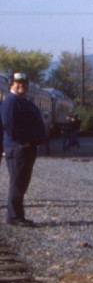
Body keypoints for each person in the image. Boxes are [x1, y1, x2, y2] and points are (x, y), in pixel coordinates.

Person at [1, 73, 47, 227]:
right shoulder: (11, 101)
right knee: (18, 182)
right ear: (11, 85)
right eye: (18, 83)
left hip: (25, 148)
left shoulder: (21, 100)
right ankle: (14, 217)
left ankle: (17, 215)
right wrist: (23, 142)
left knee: (21, 182)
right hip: (18, 148)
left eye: (24, 83)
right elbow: (9, 124)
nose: (22, 86)